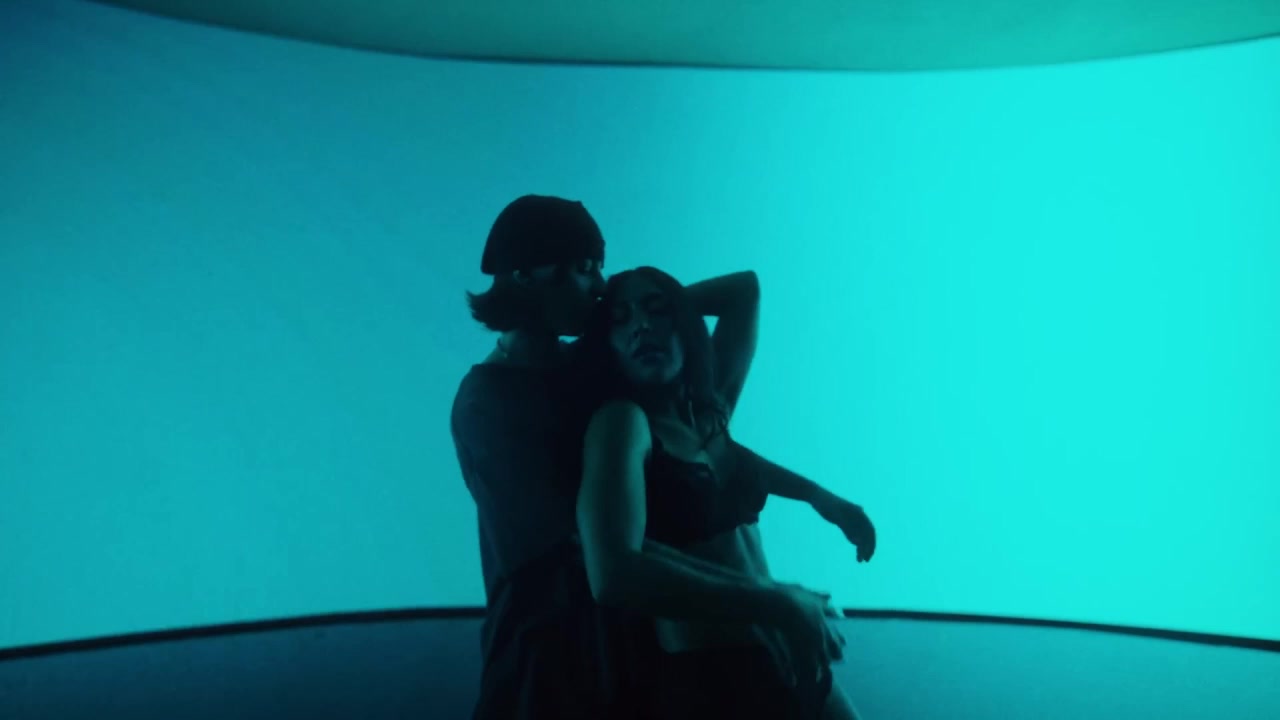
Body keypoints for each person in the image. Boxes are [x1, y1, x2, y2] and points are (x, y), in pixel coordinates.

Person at [451, 195, 845, 719]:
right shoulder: (488, 406)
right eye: (585, 269)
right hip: (548, 672)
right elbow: (594, 552)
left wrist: (651, 310)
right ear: (525, 274)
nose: (598, 285)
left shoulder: (590, 371)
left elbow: (740, 293)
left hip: (633, 666)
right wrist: (770, 602)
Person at [574, 266, 876, 719]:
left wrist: (819, 497)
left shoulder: (708, 410)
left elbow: (745, 289)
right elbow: (613, 573)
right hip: (714, 680)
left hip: (788, 652)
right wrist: (776, 602)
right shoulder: (623, 423)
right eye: (621, 321)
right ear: (607, 346)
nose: (641, 326)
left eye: (657, 312)